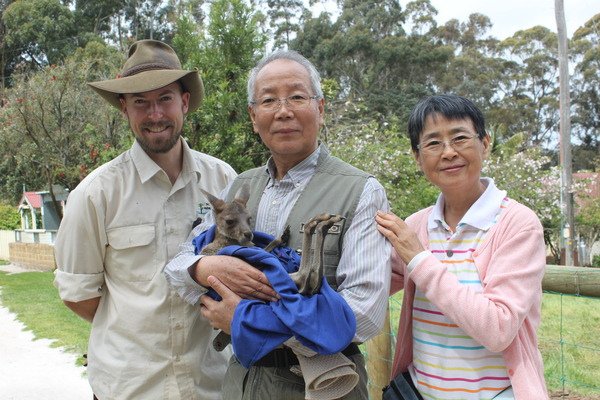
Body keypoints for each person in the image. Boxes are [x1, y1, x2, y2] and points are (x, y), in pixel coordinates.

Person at [165, 49, 391, 399]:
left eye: (297, 97)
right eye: (269, 100)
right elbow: (177, 266)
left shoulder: (361, 191)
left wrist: (249, 321)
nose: (284, 111)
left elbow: (364, 314)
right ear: (254, 117)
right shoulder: (238, 189)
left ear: (320, 108)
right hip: (242, 384)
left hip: (324, 387)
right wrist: (204, 266)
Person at [53, 39, 237, 400]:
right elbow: (78, 296)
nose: (155, 114)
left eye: (165, 98)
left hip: (212, 385)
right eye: (140, 102)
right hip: (130, 388)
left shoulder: (224, 181)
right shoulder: (96, 194)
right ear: (124, 108)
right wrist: (136, 329)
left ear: (184, 102)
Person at [376, 94, 548, 399]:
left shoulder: (517, 224)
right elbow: (369, 282)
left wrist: (418, 258)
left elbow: (498, 329)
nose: (449, 152)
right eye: (432, 143)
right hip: (421, 392)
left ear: (485, 143)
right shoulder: (417, 225)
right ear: (417, 157)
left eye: (460, 138)